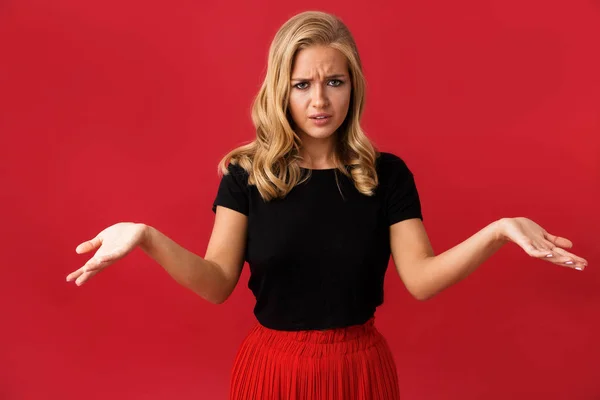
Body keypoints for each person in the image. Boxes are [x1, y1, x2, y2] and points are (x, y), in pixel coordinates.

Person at [66, 10, 588, 400]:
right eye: (303, 84)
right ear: (282, 90)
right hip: (271, 372)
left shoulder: (388, 175)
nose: (320, 100)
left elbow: (422, 280)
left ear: (353, 87)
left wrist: (497, 231)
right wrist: (146, 237)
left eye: (334, 82)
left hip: (360, 371)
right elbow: (216, 282)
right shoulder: (246, 173)